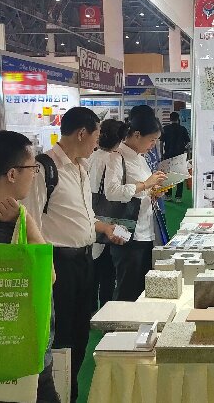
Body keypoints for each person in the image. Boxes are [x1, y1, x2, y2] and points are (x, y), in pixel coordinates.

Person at [24, 107, 124, 403]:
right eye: (96, 136)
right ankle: (53, 393)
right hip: (58, 264)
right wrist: (43, 267)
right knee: (60, 336)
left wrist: (103, 228)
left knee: (80, 332)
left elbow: (81, 216)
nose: (97, 143)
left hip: (84, 260)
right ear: (82, 133)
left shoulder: (80, 168)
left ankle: (69, 391)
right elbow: (30, 222)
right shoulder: (44, 169)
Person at [0, 131, 60, 403]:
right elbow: (47, 276)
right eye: (32, 168)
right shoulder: (3, 221)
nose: (34, 174)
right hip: (17, 351)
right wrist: (27, 223)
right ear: (12, 174)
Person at [104, 105, 166, 301]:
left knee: (142, 288)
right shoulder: (117, 157)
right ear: (137, 135)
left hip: (145, 230)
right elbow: (112, 192)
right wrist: (146, 184)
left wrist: (153, 191)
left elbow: (141, 189)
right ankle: (118, 320)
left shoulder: (140, 157)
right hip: (126, 231)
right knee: (127, 288)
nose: (153, 145)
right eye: (151, 140)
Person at [89, 119, 128, 310]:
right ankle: (105, 309)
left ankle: (89, 310)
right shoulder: (113, 158)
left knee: (92, 271)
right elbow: (113, 191)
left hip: (90, 215)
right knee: (108, 272)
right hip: (109, 217)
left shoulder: (91, 156)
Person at [160, 111, 190, 202]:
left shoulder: (165, 128)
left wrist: (161, 154)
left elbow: (161, 142)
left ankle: (168, 196)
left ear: (170, 119)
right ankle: (178, 197)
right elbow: (188, 143)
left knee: (168, 176)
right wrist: (186, 152)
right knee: (180, 176)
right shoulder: (182, 129)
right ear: (178, 119)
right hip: (180, 155)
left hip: (168, 155)